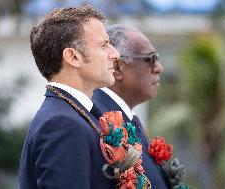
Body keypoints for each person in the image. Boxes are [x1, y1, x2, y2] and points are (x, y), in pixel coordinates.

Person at [19, 4, 120, 188]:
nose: (115, 54)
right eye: (104, 45)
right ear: (73, 57)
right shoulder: (62, 124)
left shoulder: (73, 114)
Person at [92, 25, 170, 188]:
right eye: (151, 58)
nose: (158, 68)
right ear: (118, 67)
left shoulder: (124, 120)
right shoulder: (98, 122)